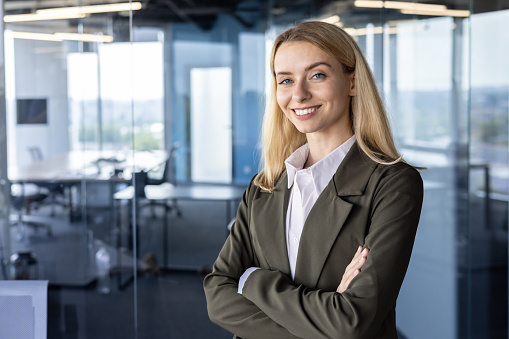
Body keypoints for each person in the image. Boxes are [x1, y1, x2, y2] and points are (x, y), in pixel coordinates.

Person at [203, 21, 423, 339]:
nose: (299, 94)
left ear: (352, 82)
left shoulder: (393, 184)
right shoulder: (263, 186)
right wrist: (327, 317)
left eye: (317, 75)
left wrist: (251, 280)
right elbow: (217, 298)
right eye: (286, 80)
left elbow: (351, 323)